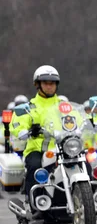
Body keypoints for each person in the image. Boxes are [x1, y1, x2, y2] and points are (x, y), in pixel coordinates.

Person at [10, 66, 61, 215]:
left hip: (62, 150)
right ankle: (35, 207)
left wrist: (88, 125)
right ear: (38, 84)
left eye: (53, 83)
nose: (50, 86)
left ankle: (88, 201)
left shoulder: (64, 106)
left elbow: (76, 120)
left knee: (86, 165)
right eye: (46, 82)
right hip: (38, 149)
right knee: (35, 167)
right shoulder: (29, 107)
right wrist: (22, 130)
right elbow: (17, 123)